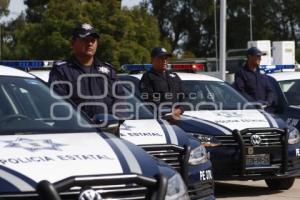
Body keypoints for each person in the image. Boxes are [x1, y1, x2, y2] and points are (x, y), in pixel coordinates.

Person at [49, 23, 125, 120]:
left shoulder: (108, 71)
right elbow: (59, 104)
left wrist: (114, 121)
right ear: (73, 43)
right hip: (77, 131)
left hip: (108, 131)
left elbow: (120, 99)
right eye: (85, 40)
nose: (90, 44)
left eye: (93, 40)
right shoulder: (62, 70)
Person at [139, 47, 185, 120]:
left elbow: (184, 96)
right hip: (158, 120)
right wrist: (169, 112)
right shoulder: (147, 77)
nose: (164, 61)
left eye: (166, 59)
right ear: (152, 60)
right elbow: (149, 100)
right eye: (161, 58)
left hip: (179, 118)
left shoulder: (174, 76)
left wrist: (179, 110)